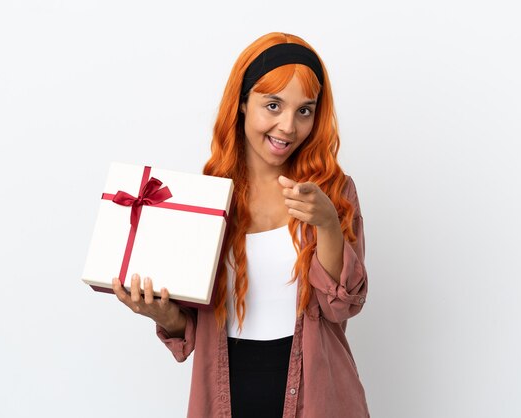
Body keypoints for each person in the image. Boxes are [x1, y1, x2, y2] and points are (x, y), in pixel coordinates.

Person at [112, 32, 369, 418]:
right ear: (243, 103)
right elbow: (193, 327)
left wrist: (328, 223)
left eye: (304, 110)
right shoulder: (207, 197)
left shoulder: (331, 191)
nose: (288, 126)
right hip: (226, 400)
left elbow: (342, 305)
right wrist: (163, 315)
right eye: (273, 105)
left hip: (317, 402)